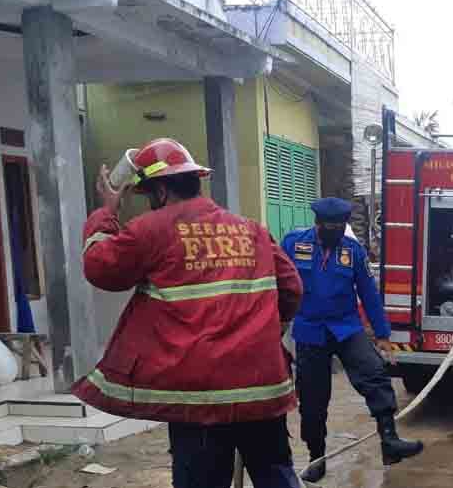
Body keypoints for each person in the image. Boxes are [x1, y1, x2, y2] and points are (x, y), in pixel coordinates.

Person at [73, 138, 304, 488]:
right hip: (261, 387)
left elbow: (101, 267)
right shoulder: (251, 229)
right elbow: (292, 289)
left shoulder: (153, 229)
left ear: (161, 192)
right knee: (276, 476)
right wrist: (270, 331)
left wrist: (107, 212)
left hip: (199, 396)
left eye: (149, 194)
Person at [282, 197, 423, 483]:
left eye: (338, 227)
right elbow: (278, 280)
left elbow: (369, 293)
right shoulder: (294, 244)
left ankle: (389, 441)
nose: (333, 231)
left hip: (347, 327)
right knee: (312, 399)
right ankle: (316, 458)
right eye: (328, 226)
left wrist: (382, 335)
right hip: (310, 331)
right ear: (317, 223)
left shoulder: (353, 251)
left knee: (375, 373)